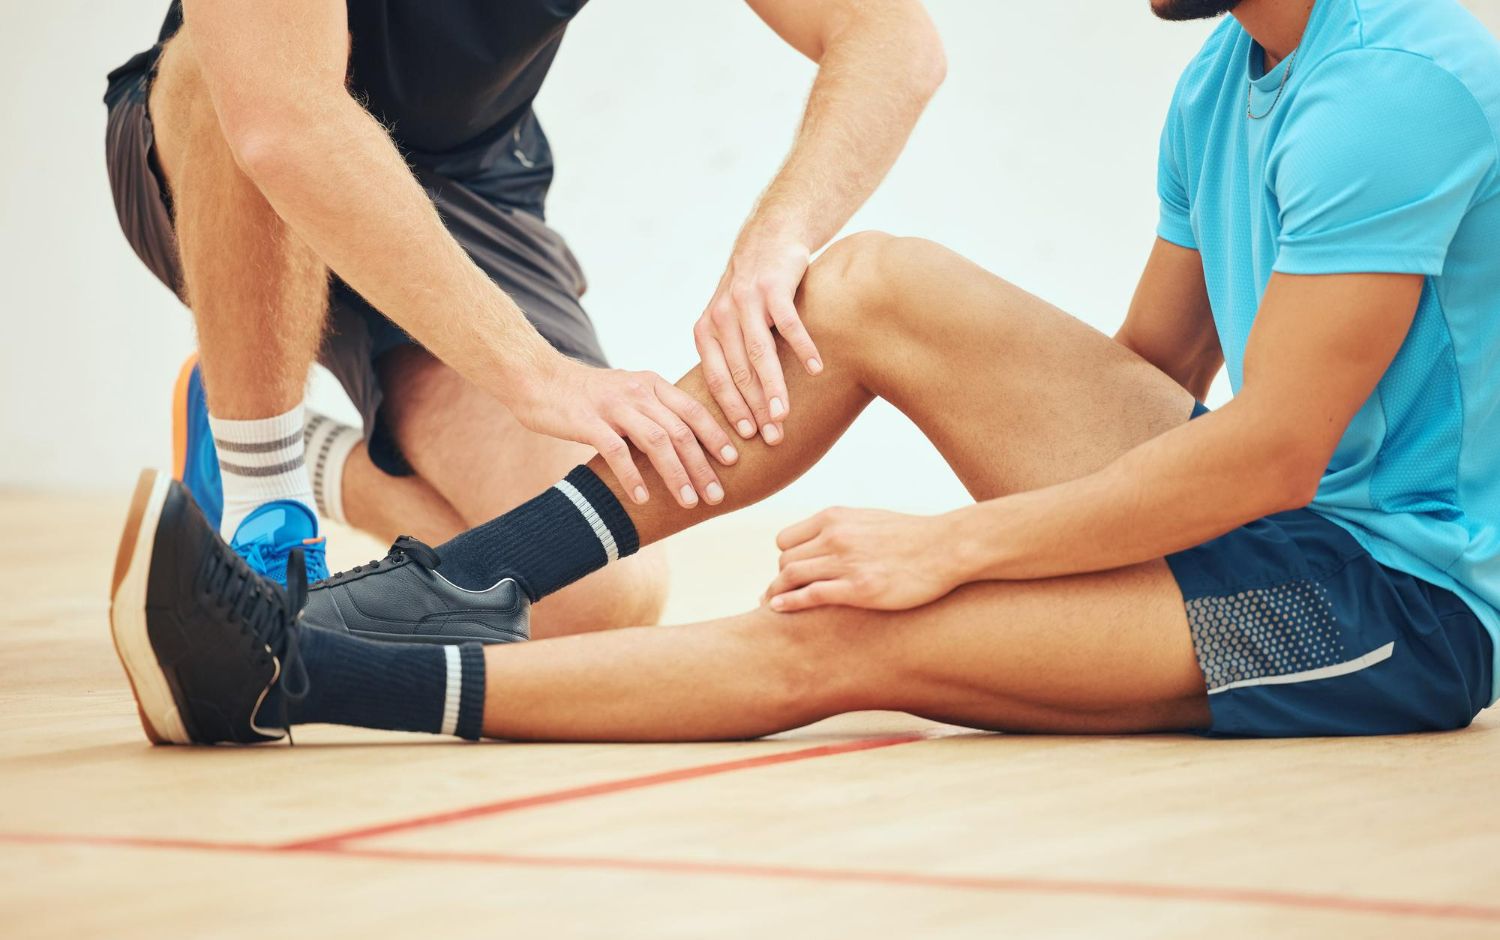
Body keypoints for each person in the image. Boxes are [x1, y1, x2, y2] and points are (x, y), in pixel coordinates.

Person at [110, 0, 1498, 745]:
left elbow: (1271, 455)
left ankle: (288, 675)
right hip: (1262, 529)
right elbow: (1143, 380)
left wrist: (954, 551)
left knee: (846, 640)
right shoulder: (1228, 75)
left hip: (1380, 610)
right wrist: (1011, 546)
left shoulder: (1400, 78)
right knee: (865, 284)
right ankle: (454, 587)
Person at [102, 0, 947, 642]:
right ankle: (264, 507)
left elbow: (892, 39)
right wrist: (532, 371)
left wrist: (780, 237)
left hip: (465, 188)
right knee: (227, 68)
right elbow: (283, 124)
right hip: (226, 144)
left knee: (600, 595)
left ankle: (292, 454)